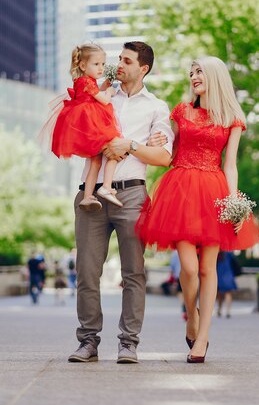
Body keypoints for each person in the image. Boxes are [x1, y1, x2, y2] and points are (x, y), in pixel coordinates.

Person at [136, 56, 259, 363]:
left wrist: (234, 204)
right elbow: (169, 149)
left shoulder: (233, 117)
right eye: (191, 72)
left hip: (214, 193)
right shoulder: (182, 111)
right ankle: (191, 316)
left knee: (209, 269)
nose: (193, 76)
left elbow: (230, 165)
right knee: (189, 269)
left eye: (199, 72)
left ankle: (202, 337)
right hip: (179, 190)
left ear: (215, 77)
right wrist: (156, 139)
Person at [68, 41, 174, 364]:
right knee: (86, 271)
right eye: (119, 59)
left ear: (143, 68)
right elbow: (75, 125)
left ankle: (128, 343)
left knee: (134, 273)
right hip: (92, 194)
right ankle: (88, 341)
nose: (119, 65)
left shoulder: (156, 107)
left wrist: (130, 145)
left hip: (131, 194)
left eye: (127, 60)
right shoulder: (100, 95)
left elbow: (165, 156)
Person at [42, 43, 123, 209]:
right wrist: (110, 92)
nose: (100, 68)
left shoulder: (83, 80)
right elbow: (105, 100)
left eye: (103, 64)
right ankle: (106, 187)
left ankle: (88, 196)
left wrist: (104, 86)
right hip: (92, 122)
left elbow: (93, 93)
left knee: (96, 161)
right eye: (96, 64)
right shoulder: (87, 81)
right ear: (83, 65)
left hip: (86, 121)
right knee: (117, 149)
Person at [216, 251, 237, 319]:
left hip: (219, 274)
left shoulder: (217, 252)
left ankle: (219, 309)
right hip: (228, 274)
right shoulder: (229, 252)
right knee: (228, 293)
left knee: (220, 294)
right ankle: (228, 311)